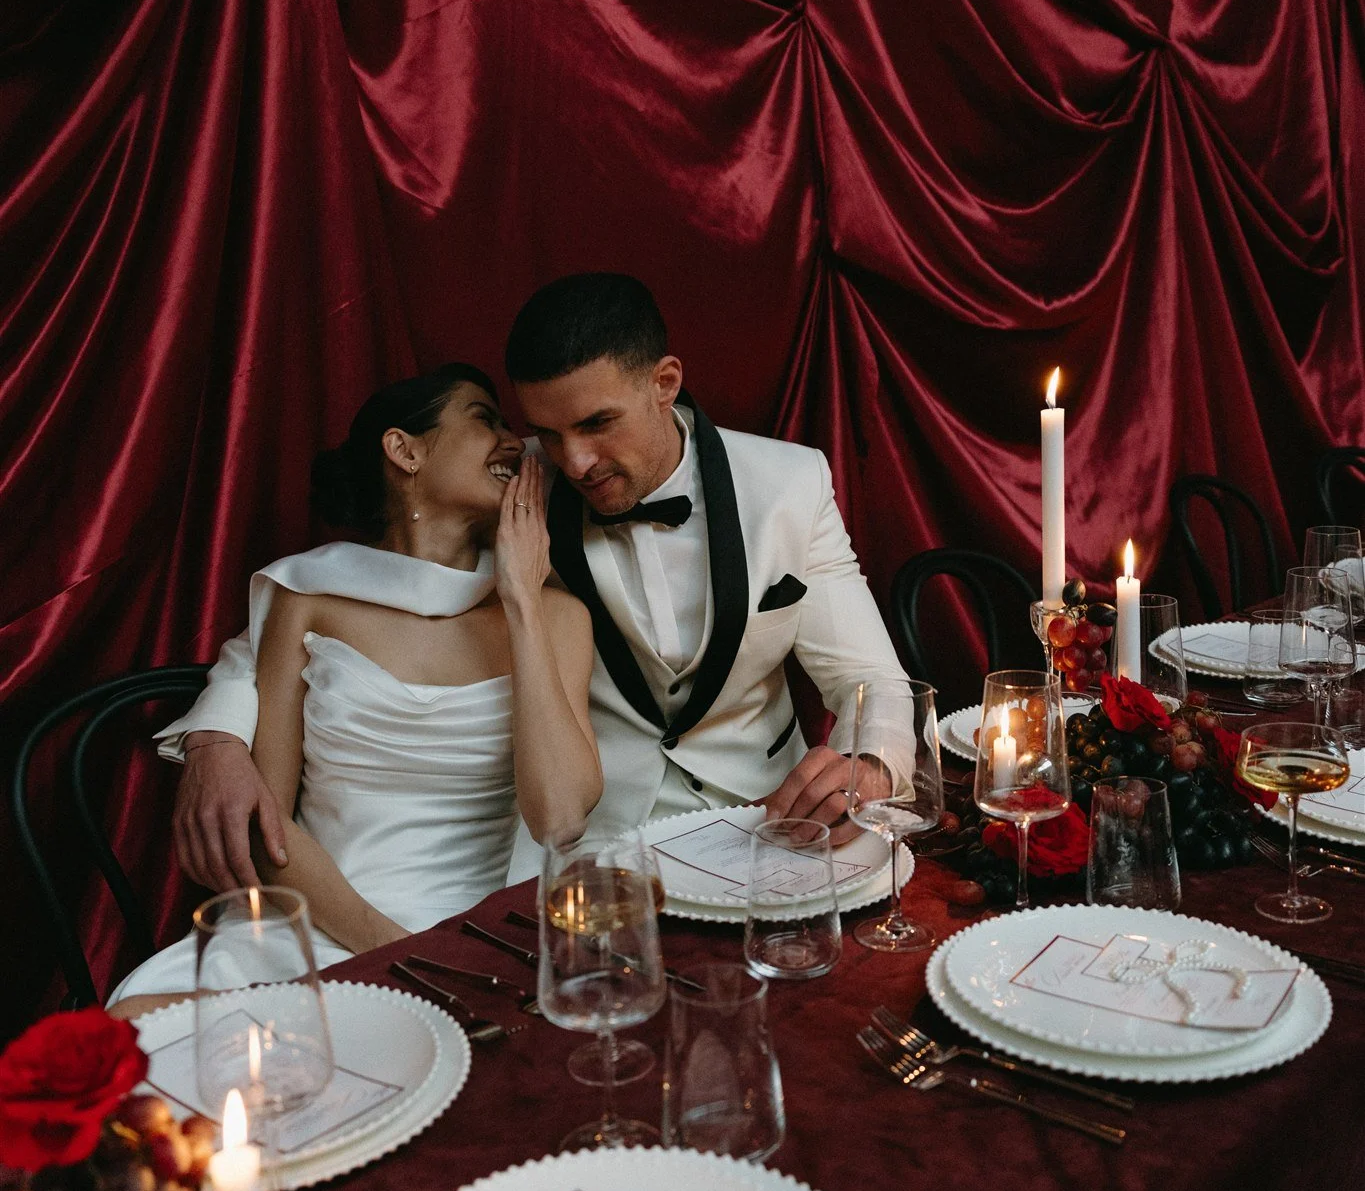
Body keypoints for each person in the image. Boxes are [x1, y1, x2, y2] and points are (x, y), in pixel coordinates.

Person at [162, 276, 909, 891]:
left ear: (664, 382)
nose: (574, 462)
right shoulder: (512, 486)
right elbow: (328, 600)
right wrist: (215, 739)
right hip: (596, 845)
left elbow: (868, 678)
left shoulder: (788, 481)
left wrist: (870, 763)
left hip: (768, 822)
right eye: (548, 433)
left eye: (595, 424)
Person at [108, 364, 600, 1012]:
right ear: (405, 449)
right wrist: (397, 955)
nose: (514, 442)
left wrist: (522, 601)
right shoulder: (307, 602)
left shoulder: (556, 617)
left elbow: (559, 815)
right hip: (315, 923)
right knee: (134, 1032)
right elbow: (268, 827)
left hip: (476, 933)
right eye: (485, 418)